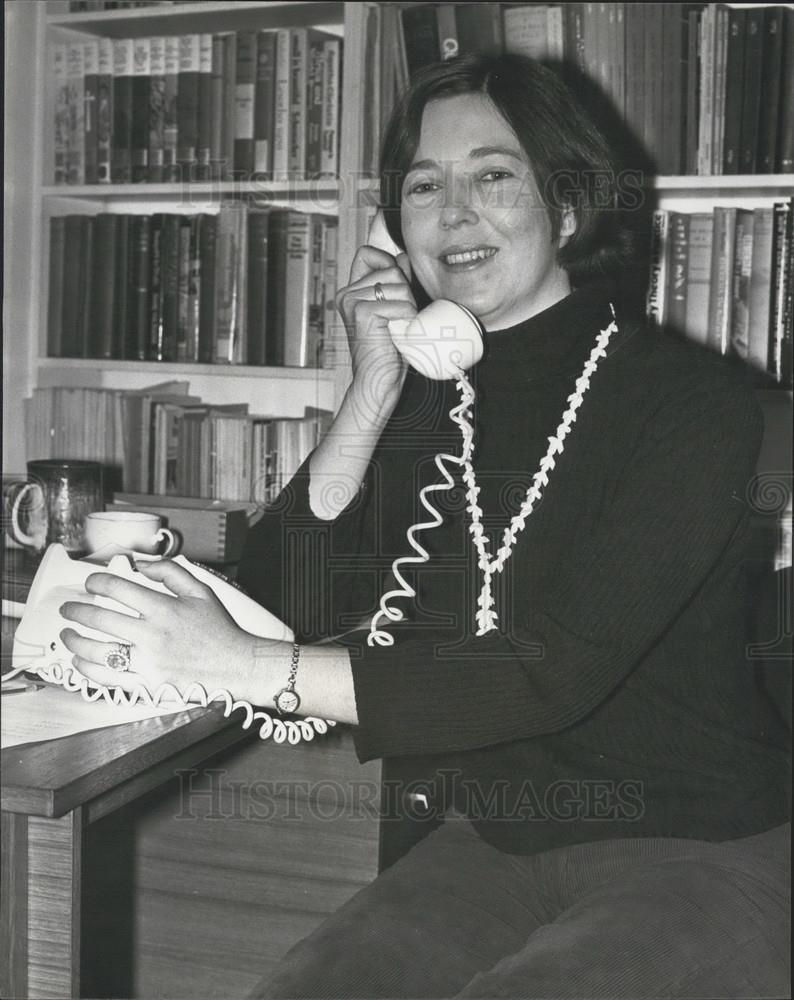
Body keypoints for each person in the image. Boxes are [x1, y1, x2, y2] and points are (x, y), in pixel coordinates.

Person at [60, 55, 790, 998]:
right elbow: (279, 596)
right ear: (390, 230)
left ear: (567, 206)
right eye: (421, 187)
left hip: (698, 843)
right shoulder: (425, 402)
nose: (453, 213)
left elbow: (544, 672)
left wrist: (236, 666)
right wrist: (370, 390)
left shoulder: (695, 408)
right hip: (486, 843)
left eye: (493, 176)